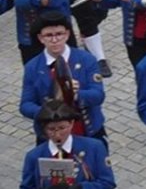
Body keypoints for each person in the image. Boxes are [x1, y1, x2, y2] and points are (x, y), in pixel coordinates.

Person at [22, 100, 116, 189]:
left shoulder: (94, 147)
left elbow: (107, 182)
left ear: (71, 124)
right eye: (51, 129)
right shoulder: (34, 156)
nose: (57, 134)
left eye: (62, 128)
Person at [19, 10, 106, 142]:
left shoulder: (86, 59)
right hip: (50, 134)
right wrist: (48, 112)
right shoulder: (33, 67)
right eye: (48, 35)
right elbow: (25, 105)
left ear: (67, 34)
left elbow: (98, 95)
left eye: (59, 34)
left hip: (87, 131)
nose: (54, 40)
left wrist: (76, 94)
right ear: (41, 38)